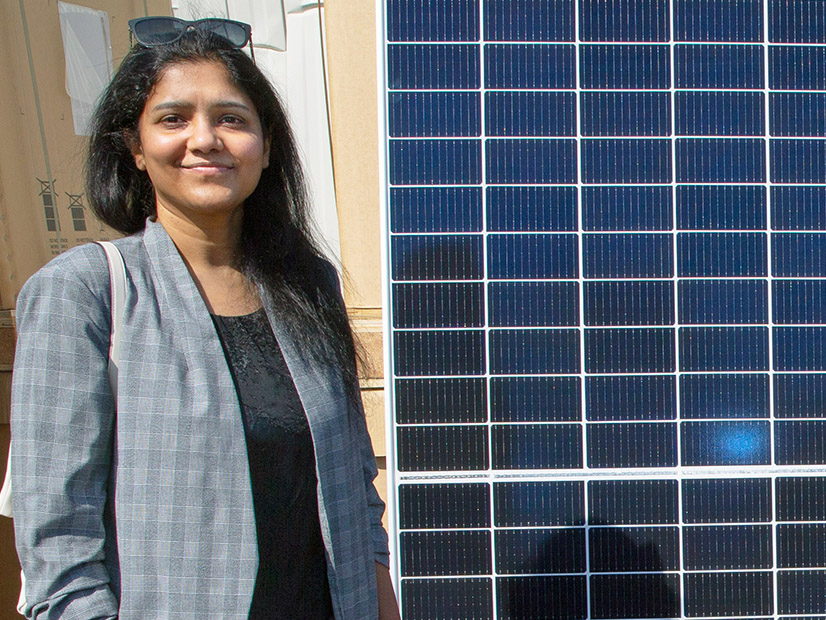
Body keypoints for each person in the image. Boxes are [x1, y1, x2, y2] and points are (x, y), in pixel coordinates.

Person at [10, 18, 400, 620]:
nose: (205, 139)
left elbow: (351, 483)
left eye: (231, 118)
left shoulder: (308, 286)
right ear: (134, 148)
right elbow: (58, 536)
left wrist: (380, 596)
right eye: (172, 119)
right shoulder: (85, 291)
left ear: (267, 148)